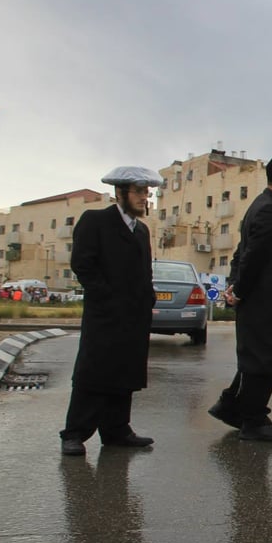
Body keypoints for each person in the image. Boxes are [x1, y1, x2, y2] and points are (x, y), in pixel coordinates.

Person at [60, 166, 163, 456]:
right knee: (94, 372)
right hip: (105, 315)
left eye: (147, 192)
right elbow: (82, 264)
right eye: (140, 192)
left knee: (125, 372)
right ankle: (74, 433)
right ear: (120, 193)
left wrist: (148, 299)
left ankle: (117, 430)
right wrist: (105, 297)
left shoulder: (141, 230)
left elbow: (144, 272)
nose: (145, 198)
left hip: (134, 317)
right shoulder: (95, 221)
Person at [207, 155, 272, 442]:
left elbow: (241, 254)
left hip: (263, 302)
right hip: (267, 304)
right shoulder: (269, 210)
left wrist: (235, 285)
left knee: (258, 361)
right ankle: (253, 420)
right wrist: (238, 289)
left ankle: (231, 406)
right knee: (266, 362)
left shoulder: (263, 206)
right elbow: (251, 257)